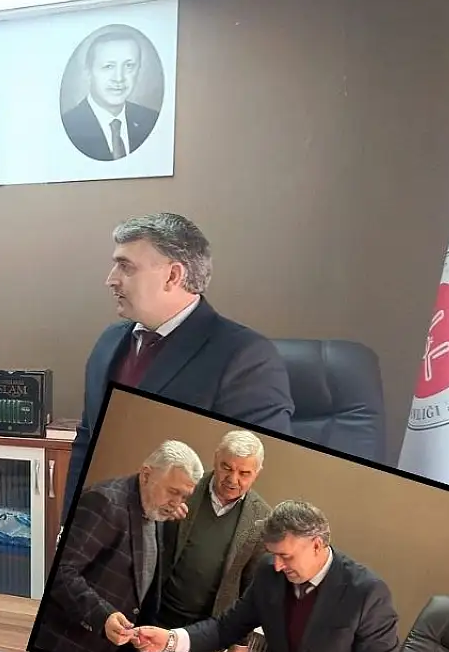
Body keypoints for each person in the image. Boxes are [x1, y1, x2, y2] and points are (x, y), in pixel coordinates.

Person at [62, 212, 293, 523]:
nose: (111, 279)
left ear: (173, 276)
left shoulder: (246, 357)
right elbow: (86, 441)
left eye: (126, 266)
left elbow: (241, 467)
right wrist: (69, 523)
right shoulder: (108, 342)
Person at [133, 501, 401, 652]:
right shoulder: (268, 573)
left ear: (317, 545)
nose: (278, 565)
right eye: (273, 555)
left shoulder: (367, 593)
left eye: (285, 556)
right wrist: (170, 640)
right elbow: (226, 627)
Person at [29, 440, 202, 652]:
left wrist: (140, 647)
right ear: (146, 474)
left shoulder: (157, 510)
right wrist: (102, 617)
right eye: (173, 492)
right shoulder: (104, 502)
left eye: (184, 496)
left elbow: (145, 584)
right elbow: (61, 571)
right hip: (66, 646)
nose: (177, 503)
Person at [131, 430, 273, 652]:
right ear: (216, 458)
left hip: (200, 634)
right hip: (153, 614)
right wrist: (162, 514)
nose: (233, 479)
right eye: (226, 467)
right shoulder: (184, 488)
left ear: (257, 473)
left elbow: (252, 586)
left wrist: (240, 643)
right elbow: (143, 530)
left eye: (244, 473)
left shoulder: (261, 518)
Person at [62, 28, 161, 161]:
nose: (119, 78)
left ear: (139, 70)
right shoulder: (69, 125)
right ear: (88, 72)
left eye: (129, 66)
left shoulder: (151, 120)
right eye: (108, 66)